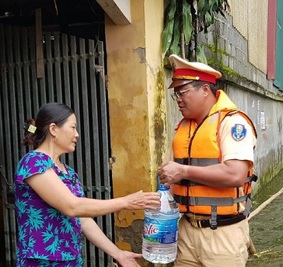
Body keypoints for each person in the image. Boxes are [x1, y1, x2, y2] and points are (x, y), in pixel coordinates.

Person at [14, 102, 161, 267]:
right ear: (54, 129)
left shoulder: (68, 172)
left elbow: (82, 218)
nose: (77, 134)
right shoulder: (33, 162)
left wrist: (117, 253)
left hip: (71, 260)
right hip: (42, 261)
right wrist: (126, 202)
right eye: (73, 127)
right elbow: (72, 206)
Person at [157, 54, 257, 267]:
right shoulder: (184, 127)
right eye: (175, 94)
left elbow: (236, 174)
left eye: (182, 92)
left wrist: (183, 172)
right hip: (186, 229)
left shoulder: (232, 123)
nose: (178, 99)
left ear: (204, 90)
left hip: (222, 234)